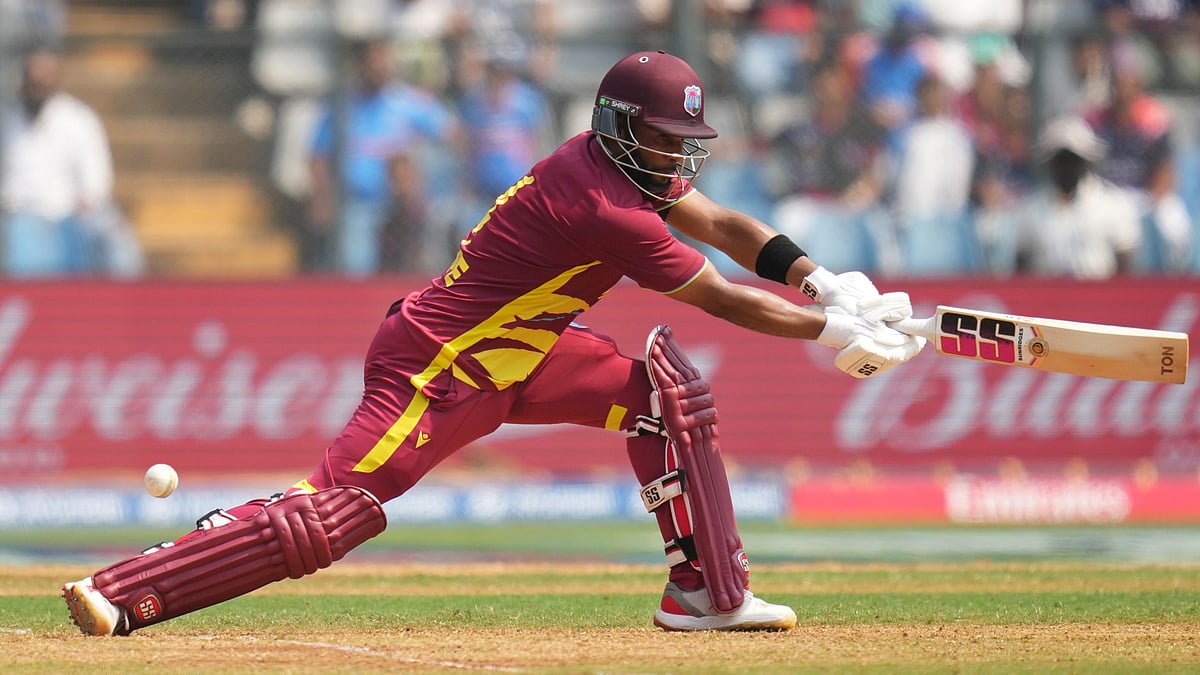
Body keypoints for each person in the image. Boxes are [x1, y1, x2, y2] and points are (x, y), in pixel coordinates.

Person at [62, 50, 924, 636]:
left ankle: (701, 592)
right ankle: (130, 587)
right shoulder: (603, 203)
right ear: (621, 126)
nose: (675, 160)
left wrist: (823, 281)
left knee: (667, 397)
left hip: (526, 353)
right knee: (333, 516)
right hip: (440, 366)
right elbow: (724, 297)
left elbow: (731, 224)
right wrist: (835, 331)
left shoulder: (620, 168)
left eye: (683, 144)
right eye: (662, 140)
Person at [307, 39, 455, 275]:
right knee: (356, 264)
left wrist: (417, 165)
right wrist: (322, 197)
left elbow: (451, 136)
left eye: (384, 60)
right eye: (374, 61)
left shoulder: (407, 102)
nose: (381, 67)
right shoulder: (342, 107)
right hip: (356, 204)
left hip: (403, 208)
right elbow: (318, 156)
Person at [0, 47, 142, 277]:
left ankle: (126, 307)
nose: (37, 87)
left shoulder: (78, 119)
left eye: (43, 81)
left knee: (120, 240)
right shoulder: (8, 121)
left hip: (71, 214)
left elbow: (97, 180)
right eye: (33, 81)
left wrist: (81, 205)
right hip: (19, 216)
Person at [1009, 116, 1141, 278]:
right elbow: (1021, 269)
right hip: (1046, 299)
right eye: (1061, 160)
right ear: (1050, 163)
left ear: (1087, 161)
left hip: (1099, 298)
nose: (1067, 167)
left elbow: (1126, 268)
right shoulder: (1030, 210)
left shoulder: (1113, 205)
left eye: (1074, 160)